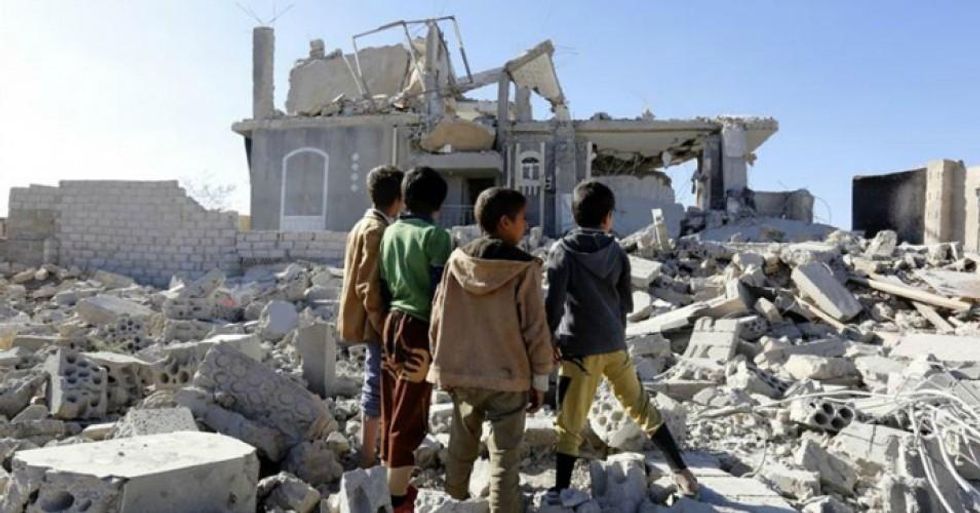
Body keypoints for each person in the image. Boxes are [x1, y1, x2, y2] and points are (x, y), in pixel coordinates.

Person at [545, 180, 699, 497]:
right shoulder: (617, 251)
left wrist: (550, 340)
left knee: (569, 421)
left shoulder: (562, 252)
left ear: (573, 215)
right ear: (608, 217)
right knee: (640, 405)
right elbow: (625, 303)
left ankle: (561, 491)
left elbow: (554, 305)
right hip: (615, 346)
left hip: (578, 349)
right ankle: (681, 471)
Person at [428, 187, 554, 513]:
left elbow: (438, 318)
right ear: (504, 222)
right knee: (505, 459)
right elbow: (536, 330)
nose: (526, 225)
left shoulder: (457, 262)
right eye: (522, 219)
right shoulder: (524, 269)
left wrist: (441, 365)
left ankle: (451, 505)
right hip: (509, 379)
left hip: (463, 375)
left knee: (460, 450)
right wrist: (540, 380)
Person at [379, 166, 453, 512]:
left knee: (391, 409)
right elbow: (441, 295)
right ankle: (395, 499)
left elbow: (382, 284)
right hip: (419, 328)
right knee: (410, 416)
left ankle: (388, 484)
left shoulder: (391, 233)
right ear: (439, 204)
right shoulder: (437, 237)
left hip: (391, 324)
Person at [337, 165, 404, 468]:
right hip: (373, 322)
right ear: (398, 198)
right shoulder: (377, 229)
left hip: (365, 320)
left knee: (374, 381)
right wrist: (383, 325)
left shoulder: (361, 224)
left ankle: (372, 451)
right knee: (376, 385)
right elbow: (368, 284)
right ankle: (367, 456)